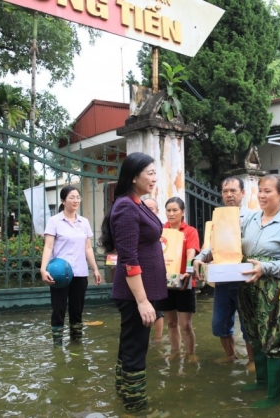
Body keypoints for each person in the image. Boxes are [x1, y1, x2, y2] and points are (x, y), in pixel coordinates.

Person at [98, 152, 167, 413]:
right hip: (136, 293)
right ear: (134, 176)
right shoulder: (127, 206)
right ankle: (137, 407)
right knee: (136, 348)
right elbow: (128, 259)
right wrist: (142, 301)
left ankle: (125, 397)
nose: (154, 177)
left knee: (129, 344)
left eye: (154, 172)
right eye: (149, 173)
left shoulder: (136, 202)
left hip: (142, 290)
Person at [239, 174, 280, 408]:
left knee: (274, 336)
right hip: (247, 284)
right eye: (260, 190)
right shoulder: (251, 219)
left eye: (268, 191)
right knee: (254, 332)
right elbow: (230, 243)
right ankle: (261, 381)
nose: (262, 195)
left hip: (273, 287)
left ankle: (275, 395)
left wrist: (265, 267)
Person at [193, 177, 256, 368]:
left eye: (233, 191)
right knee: (219, 323)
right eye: (225, 191)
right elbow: (212, 245)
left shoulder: (253, 218)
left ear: (242, 193)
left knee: (247, 323)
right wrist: (199, 258)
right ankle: (231, 356)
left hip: (244, 278)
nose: (229, 195)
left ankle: (252, 361)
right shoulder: (218, 218)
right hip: (222, 280)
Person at [40, 185, 102, 347]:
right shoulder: (54, 221)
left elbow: (88, 248)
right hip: (59, 274)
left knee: (77, 311)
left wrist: (95, 269)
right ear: (63, 200)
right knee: (59, 310)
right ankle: (57, 345)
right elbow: (48, 247)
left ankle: (76, 344)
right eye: (71, 197)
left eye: (77, 197)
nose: (75, 200)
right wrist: (43, 269)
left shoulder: (84, 222)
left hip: (80, 273)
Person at [156, 197, 200, 358]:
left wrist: (189, 269)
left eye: (175, 210)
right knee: (171, 323)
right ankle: (175, 351)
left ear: (183, 212)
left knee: (186, 324)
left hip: (184, 280)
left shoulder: (190, 231)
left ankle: (190, 353)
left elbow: (191, 252)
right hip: (164, 281)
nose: (171, 214)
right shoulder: (160, 230)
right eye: (168, 210)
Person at [142, 196, 165, 343]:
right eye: (145, 208)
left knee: (157, 308)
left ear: (157, 211)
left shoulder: (163, 229)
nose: (148, 211)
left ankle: (158, 340)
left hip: (158, 274)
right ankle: (144, 338)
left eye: (151, 209)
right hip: (140, 274)